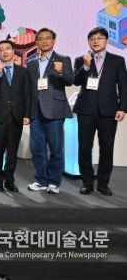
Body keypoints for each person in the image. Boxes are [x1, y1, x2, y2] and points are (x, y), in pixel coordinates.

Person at [73, 27, 127, 196]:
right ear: (89, 42)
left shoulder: (117, 60)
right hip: (86, 110)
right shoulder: (81, 60)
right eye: (92, 39)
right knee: (84, 148)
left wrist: (122, 108)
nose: (95, 41)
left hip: (109, 111)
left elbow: (124, 86)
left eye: (99, 38)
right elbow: (75, 81)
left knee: (107, 149)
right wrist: (86, 66)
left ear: (106, 41)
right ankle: (87, 183)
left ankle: (103, 183)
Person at [27, 28, 73, 194]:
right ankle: (41, 180)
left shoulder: (63, 59)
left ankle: (54, 181)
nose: (44, 41)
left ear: (54, 41)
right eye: (41, 38)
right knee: (37, 149)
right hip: (35, 111)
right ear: (36, 42)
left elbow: (70, 80)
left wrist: (60, 71)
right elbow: (29, 89)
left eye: (48, 38)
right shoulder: (31, 63)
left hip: (54, 110)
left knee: (56, 148)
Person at [0, 40, 30, 192]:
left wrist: (27, 114)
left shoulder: (23, 71)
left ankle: (9, 180)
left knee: (12, 151)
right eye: (1, 49)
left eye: (7, 48)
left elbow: (27, 94)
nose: (5, 51)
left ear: (13, 51)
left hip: (16, 116)